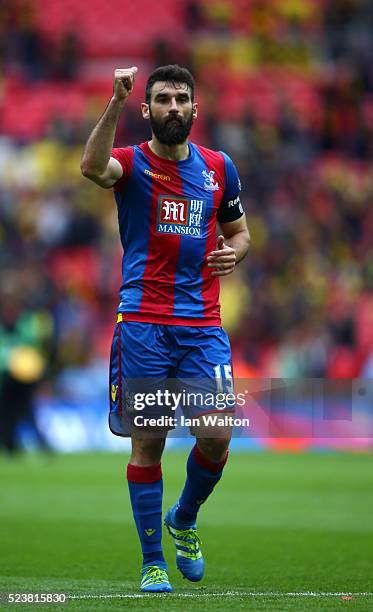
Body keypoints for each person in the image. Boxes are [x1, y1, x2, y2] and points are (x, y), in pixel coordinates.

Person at [80, 65, 250, 593]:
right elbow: (91, 167)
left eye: (181, 99)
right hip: (145, 326)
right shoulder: (131, 165)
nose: (173, 107)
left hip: (201, 326)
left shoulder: (219, 168)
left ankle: (184, 516)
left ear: (195, 109)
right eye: (163, 100)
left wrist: (234, 254)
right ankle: (153, 561)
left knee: (218, 435)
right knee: (148, 445)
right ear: (147, 109)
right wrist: (114, 99)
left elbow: (239, 232)